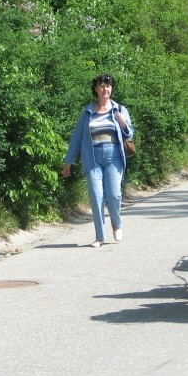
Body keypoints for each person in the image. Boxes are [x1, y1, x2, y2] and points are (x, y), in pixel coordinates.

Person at [63, 74, 135, 248]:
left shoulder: (119, 109)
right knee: (96, 197)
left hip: (114, 157)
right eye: (102, 86)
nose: (105, 89)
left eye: (108, 86)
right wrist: (69, 161)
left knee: (114, 195)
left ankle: (116, 223)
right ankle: (100, 237)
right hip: (93, 157)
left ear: (112, 89)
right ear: (96, 89)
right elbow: (77, 138)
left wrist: (123, 123)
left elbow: (130, 133)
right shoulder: (88, 112)